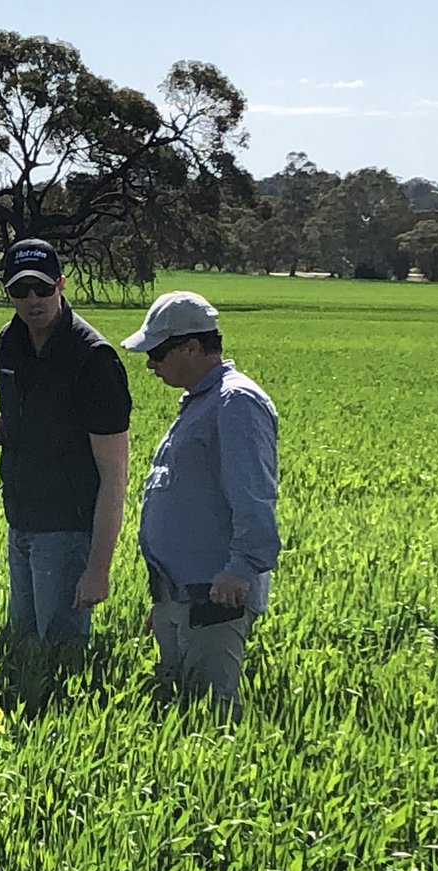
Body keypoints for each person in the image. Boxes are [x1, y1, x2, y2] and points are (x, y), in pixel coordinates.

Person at [0, 238, 132, 651]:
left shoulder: (93, 358)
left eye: (42, 288)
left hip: (67, 529)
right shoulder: (8, 343)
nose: (32, 300)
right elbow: (16, 417)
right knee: (23, 646)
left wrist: (97, 568)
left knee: (60, 652)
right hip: (20, 519)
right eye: (20, 290)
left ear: (61, 284)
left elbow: (115, 474)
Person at [120, 290, 280, 720]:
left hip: (213, 597)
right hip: (178, 594)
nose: (150, 364)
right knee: (177, 715)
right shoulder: (203, 402)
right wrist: (165, 603)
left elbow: (255, 497)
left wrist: (241, 568)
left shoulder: (236, 403)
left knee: (212, 719)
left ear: (191, 346)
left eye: (156, 352)